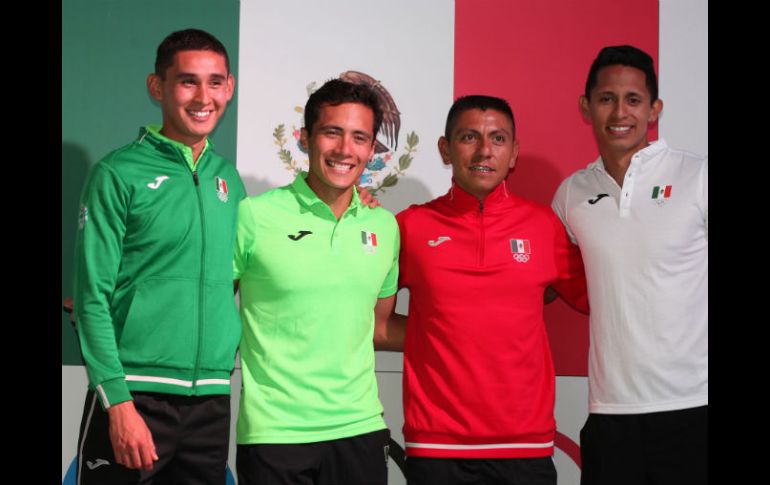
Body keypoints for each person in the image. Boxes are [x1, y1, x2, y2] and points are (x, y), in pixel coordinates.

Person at [375, 95, 589, 485]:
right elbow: (374, 326)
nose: (484, 151)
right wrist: (440, 334)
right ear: (446, 148)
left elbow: (604, 297)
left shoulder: (543, 226)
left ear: (514, 153)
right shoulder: (410, 227)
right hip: (437, 448)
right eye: (469, 137)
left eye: (498, 139)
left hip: (525, 449)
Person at [72, 28, 245, 484]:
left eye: (214, 82)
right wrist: (119, 403)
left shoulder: (229, 181)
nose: (203, 97)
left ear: (229, 87)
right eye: (188, 81)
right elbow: (92, 298)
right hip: (135, 395)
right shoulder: (117, 173)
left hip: (210, 401)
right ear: (158, 87)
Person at [551, 45, 708, 485]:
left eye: (633, 100)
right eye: (606, 98)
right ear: (587, 106)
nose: (619, 112)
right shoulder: (571, 195)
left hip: (694, 409)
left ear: (654, 109)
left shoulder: (698, 177)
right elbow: (543, 278)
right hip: (610, 413)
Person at [233, 78, 399, 485]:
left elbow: (379, 328)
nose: (346, 150)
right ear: (305, 139)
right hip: (274, 435)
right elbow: (208, 306)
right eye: (332, 132)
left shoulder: (385, 225)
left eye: (360, 137)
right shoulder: (253, 216)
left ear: (372, 149)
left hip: (360, 429)